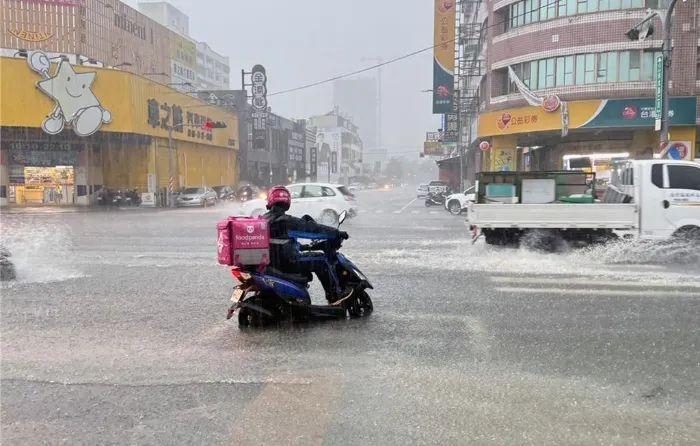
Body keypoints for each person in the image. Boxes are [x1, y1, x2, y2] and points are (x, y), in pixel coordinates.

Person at [263, 185, 349, 303]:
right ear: (287, 201)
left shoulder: (264, 219)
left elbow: (280, 243)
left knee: (313, 256)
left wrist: (303, 247)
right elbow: (313, 229)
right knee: (322, 261)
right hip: (287, 262)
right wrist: (337, 233)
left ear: (270, 200)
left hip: (274, 261)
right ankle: (334, 296)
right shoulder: (285, 221)